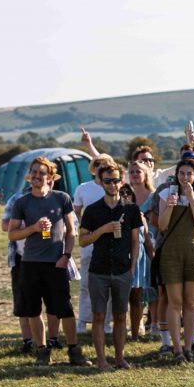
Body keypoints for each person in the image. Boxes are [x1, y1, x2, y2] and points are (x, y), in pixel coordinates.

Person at [8, 157, 90, 367]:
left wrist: (66, 255)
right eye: (34, 172)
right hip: (30, 263)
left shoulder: (61, 198)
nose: (36, 176)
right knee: (33, 310)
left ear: (50, 177)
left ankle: (74, 351)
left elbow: (71, 232)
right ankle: (42, 351)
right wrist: (33, 228)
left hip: (56, 263)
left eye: (41, 173)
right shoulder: (22, 202)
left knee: (64, 309)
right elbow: (12, 234)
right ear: (29, 175)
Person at [78, 164, 141, 370]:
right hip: (99, 270)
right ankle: (102, 360)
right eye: (108, 181)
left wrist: (132, 268)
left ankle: (120, 358)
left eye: (115, 180)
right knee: (99, 316)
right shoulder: (93, 210)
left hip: (123, 270)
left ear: (121, 181)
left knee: (121, 315)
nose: (112, 185)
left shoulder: (130, 208)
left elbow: (134, 242)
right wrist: (103, 230)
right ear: (100, 182)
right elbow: (83, 240)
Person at [158, 159, 194, 362]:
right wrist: (170, 206)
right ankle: (177, 349)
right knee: (175, 302)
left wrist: (191, 198)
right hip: (172, 252)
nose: (185, 177)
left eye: (189, 174)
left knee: (191, 302)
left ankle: (189, 346)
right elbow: (162, 225)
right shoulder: (166, 194)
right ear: (176, 175)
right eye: (182, 173)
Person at [3, 185, 60, 353]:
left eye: (48, 178)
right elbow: (5, 225)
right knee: (24, 302)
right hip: (23, 259)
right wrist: (31, 227)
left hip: (52, 257)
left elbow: (71, 226)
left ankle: (53, 339)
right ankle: (28, 341)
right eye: (37, 174)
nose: (44, 181)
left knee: (53, 301)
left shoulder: (59, 198)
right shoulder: (17, 199)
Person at [73, 154, 117, 334]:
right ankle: (83, 320)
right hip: (90, 242)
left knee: (108, 284)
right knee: (86, 283)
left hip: (111, 242)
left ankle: (106, 323)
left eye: (105, 164)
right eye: (97, 164)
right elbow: (76, 211)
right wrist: (87, 227)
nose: (101, 166)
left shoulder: (114, 187)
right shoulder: (83, 188)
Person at [126, 161, 156, 341]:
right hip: (126, 248)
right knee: (129, 293)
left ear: (146, 174)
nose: (135, 174)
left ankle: (151, 324)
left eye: (139, 171)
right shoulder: (124, 194)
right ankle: (131, 328)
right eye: (132, 171)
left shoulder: (154, 196)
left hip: (148, 245)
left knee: (148, 290)